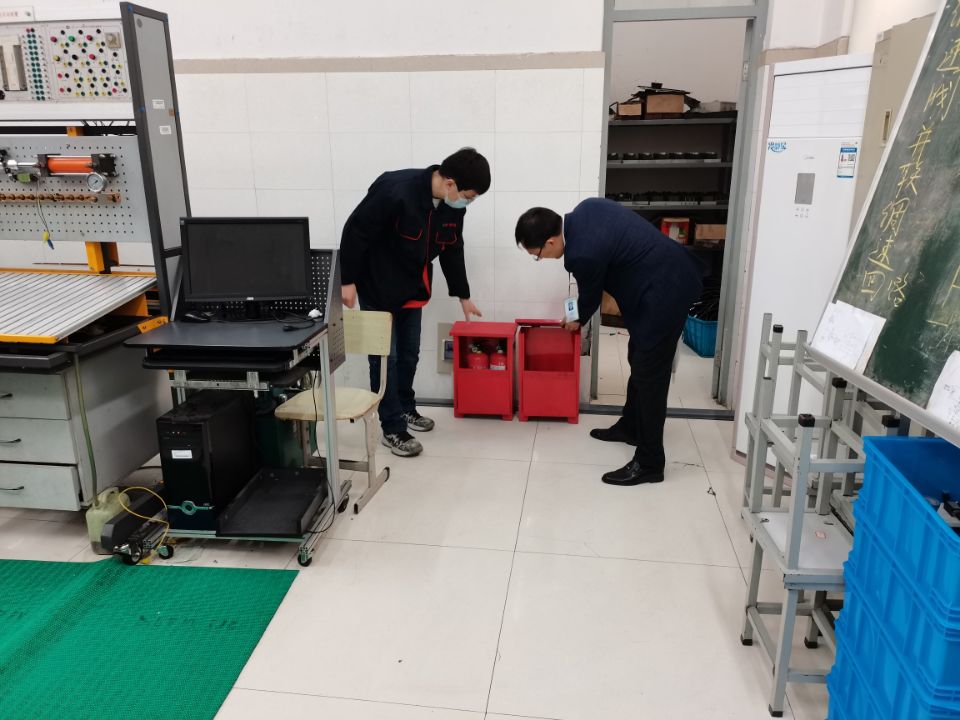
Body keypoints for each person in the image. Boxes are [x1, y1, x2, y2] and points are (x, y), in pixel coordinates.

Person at [515, 198, 703, 485]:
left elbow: (590, 296)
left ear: (550, 242)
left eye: (537, 255)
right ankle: (631, 426)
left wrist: (576, 318)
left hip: (667, 289)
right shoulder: (586, 210)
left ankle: (650, 462)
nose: (541, 259)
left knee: (650, 374)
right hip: (660, 278)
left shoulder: (582, 253)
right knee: (637, 356)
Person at [340, 148, 489, 457]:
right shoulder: (395, 190)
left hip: (412, 285)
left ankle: (406, 408)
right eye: (468, 197)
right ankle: (392, 427)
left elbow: (452, 247)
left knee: (409, 354)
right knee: (386, 358)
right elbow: (356, 230)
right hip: (377, 283)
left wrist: (463, 295)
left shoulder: (452, 206)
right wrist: (347, 280)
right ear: (450, 183)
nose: (467, 203)